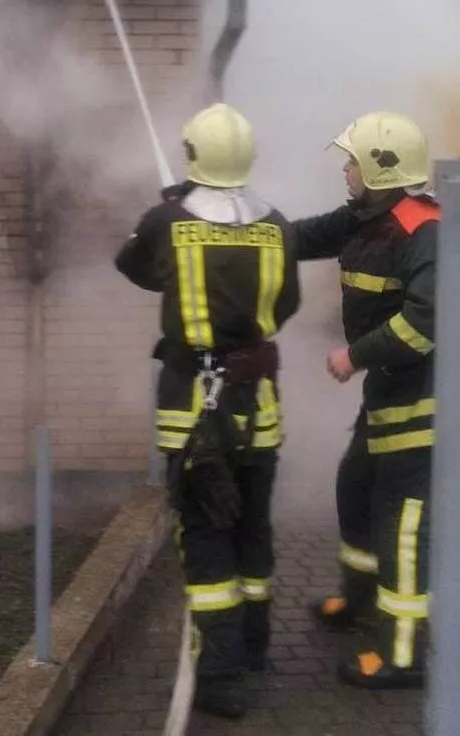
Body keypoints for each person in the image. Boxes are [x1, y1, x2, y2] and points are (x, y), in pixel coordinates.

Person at [114, 102, 300, 718]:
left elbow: (133, 268)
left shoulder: (167, 221)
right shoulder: (279, 226)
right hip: (260, 409)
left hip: (194, 414)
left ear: (193, 156)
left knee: (205, 535)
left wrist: (172, 209)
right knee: (253, 528)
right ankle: (253, 649)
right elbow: (288, 304)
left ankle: (219, 678)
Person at [293, 111, 438, 689]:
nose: (345, 170)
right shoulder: (363, 218)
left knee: (401, 523)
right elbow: (299, 237)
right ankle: (357, 600)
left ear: (380, 170)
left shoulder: (421, 231)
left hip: (422, 404)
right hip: (387, 394)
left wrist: (354, 356)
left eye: (352, 161)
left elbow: (424, 324)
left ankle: (402, 655)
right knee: (354, 486)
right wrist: (238, 225)